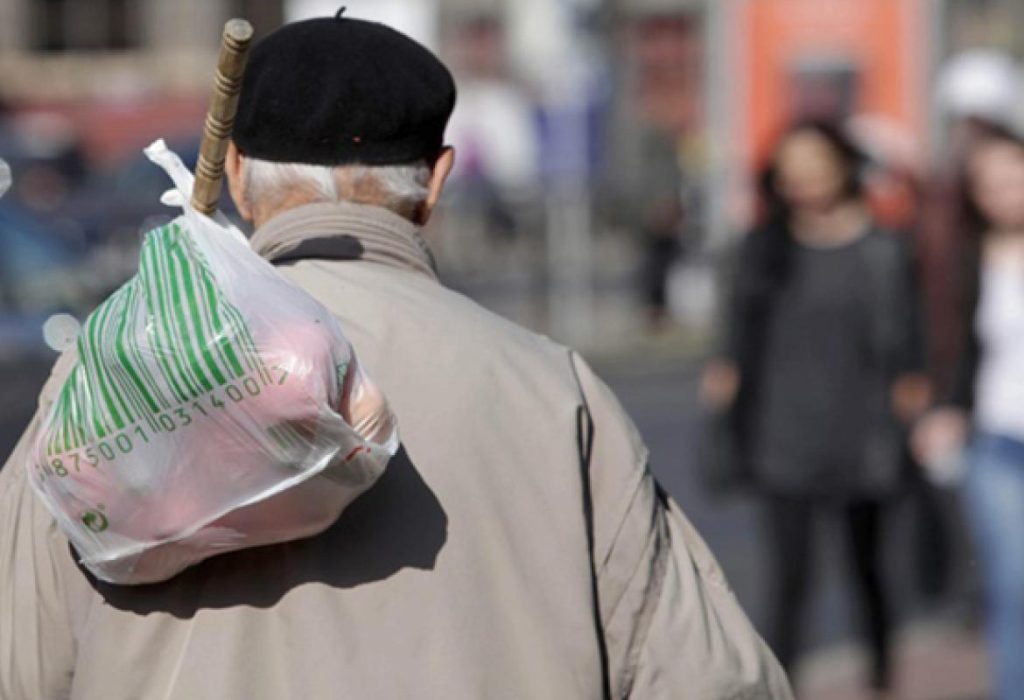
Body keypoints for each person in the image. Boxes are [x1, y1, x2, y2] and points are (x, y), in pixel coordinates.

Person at [0, 15, 791, 699]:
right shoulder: (554, 393)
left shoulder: (112, 370)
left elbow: (18, 658)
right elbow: (709, 677)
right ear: (437, 180)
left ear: (237, 175)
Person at [701, 120, 929, 692]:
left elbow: (909, 336)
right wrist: (725, 381)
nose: (804, 181)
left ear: (844, 165)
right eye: (792, 170)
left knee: (869, 571)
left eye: (816, 165)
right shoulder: (762, 247)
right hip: (783, 433)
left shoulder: (884, 248)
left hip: (864, 431)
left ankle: (881, 678)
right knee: (790, 578)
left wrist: (914, 392)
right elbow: (736, 332)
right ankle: (784, 686)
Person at [914, 125, 1024, 700]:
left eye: (1015, 176)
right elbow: (951, 346)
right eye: (991, 185)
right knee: (1012, 581)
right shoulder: (964, 260)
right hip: (998, 440)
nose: (1006, 193)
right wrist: (943, 410)